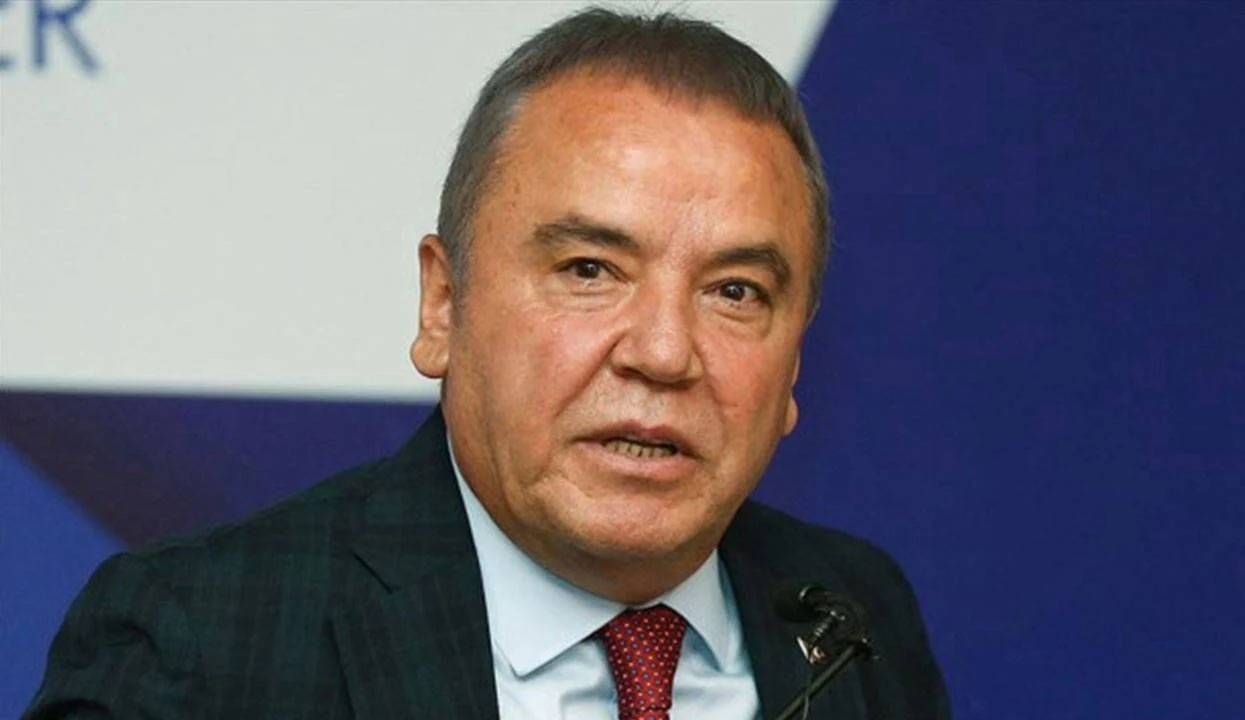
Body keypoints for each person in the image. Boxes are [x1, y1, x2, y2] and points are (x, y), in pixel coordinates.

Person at [24, 9, 948, 720]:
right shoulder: (200, 644)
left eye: (735, 291)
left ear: (794, 361)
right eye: (589, 270)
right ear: (443, 305)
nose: (664, 353)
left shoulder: (851, 619)